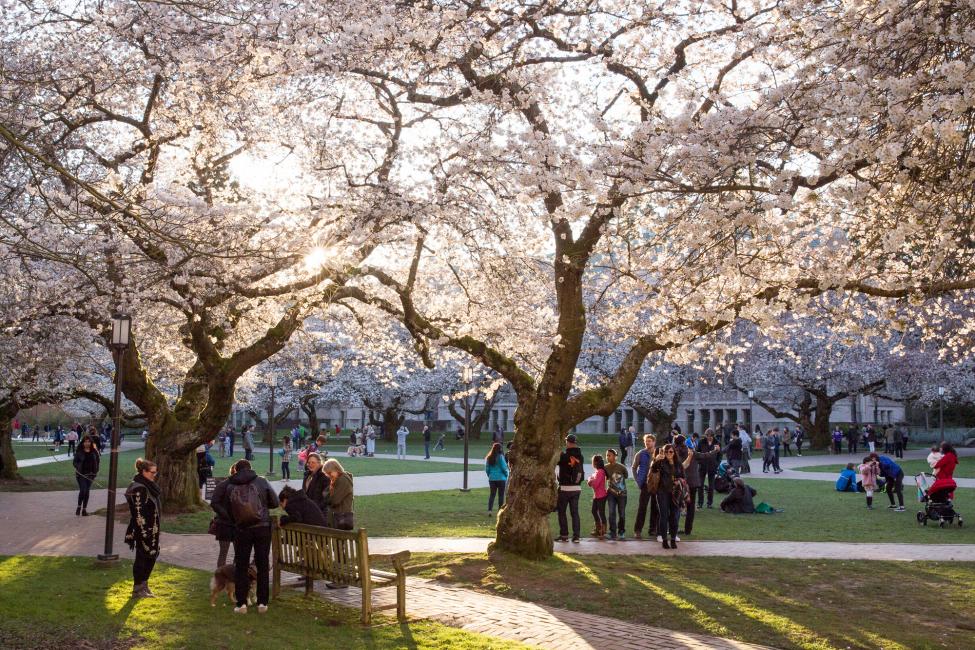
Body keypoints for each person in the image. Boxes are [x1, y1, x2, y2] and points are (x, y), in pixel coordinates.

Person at [217, 459, 279, 613]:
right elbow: (275, 502)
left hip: (242, 529)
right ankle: (262, 603)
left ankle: (241, 603)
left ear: (236, 470)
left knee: (241, 565)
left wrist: (234, 519)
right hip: (262, 527)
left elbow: (225, 506)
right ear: (251, 468)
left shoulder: (231, 485)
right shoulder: (261, 481)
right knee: (262, 564)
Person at [124, 458, 162, 598]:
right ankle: (137, 588)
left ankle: (144, 584)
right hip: (143, 530)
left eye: (155, 472)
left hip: (153, 529)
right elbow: (138, 512)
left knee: (152, 555)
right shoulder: (139, 487)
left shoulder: (149, 485)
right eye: (152, 472)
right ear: (143, 471)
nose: (154, 475)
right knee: (142, 557)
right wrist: (144, 532)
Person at [650, 444, 683, 549]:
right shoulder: (660, 463)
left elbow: (683, 476)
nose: (669, 454)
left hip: (675, 493)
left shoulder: (678, 464)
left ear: (674, 453)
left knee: (674, 517)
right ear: (663, 452)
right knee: (664, 516)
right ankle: (664, 539)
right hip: (662, 492)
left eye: (671, 452)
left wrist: (679, 482)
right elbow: (653, 470)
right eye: (666, 451)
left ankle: (673, 539)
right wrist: (656, 460)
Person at [556, 434, 585, 543]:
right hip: (577, 488)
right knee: (575, 513)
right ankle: (576, 536)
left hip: (564, 488)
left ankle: (564, 535)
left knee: (562, 512)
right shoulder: (580, 456)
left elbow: (556, 461)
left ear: (568, 442)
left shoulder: (564, 456)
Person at [209, 463, 239, 567]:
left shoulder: (223, 484)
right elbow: (214, 503)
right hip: (226, 523)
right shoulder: (224, 485)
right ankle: (222, 578)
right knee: (226, 553)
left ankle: (230, 577)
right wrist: (227, 516)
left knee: (230, 553)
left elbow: (214, 503)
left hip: (228, 523)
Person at [631, 434, 658, 539]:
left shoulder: (658, 453)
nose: (648, 443)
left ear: (654, 442)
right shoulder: (641, 454)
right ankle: (637, 530)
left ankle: (653, 530)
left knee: (655, 508)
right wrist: (638, 480)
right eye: (646, 441)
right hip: (645, 485)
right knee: (642, 508)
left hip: (656, 485)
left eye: (650, 441)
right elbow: (634, 468)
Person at [675, 435, 699, 535]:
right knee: (690, 507)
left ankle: (673, 528)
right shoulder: (691, 451)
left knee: (675, 506)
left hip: (680, 483)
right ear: (684, 442)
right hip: (692, 482)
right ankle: (688, 530)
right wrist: (715, 451)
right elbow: (705, 455)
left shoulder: (674, 452)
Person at [603, 448, 628, 540]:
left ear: (615, 457)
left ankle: (621, 532)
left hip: (622, 494)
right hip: (611, 494)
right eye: (607, 455)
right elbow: (604, 478)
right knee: (611, 512)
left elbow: (626, 475)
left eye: (609, 455)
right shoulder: (605, 467)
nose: (607, 457)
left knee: (621, 513)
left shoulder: (621, 467)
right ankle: (612, 532)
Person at [72, 434, 100, 516]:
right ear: (83, 443)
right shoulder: (79, 452)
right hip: (81, 475)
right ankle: (79, 506)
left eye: (88, 442)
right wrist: (78, 467)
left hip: (91, 475)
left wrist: (96, 471)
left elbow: (98, 461)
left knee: (87, 491)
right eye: (85, 442)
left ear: (91, 443)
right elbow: (74, 462)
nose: (87, 443)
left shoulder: (94, 451)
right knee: (83, 490)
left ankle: (84, 510)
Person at [324, 458, 354, 530]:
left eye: (329, 473)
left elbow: (335, 501)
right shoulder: (337, 480)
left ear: (336, 469)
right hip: (337, 517)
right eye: (327, 474)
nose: (328, 476)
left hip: (341, 518)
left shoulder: (343, 480)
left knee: (340, 540)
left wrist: (327, 496)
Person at [694, 430, 720, 509]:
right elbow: (697, 453)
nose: (709, 438)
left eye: (711, 436)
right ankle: (700, 503)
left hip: (712, 466)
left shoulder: (717, 442)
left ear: (713, 436)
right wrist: (699, 462)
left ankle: (709, 503)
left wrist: (717, 464)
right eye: (707, 436)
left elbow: (720, 454)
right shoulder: (701, 442)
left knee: (711, 486)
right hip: (702, 466)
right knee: (700, 485)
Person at [302, 452, 330, 519]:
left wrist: (315, 509)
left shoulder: (324, 476)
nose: (310, 464)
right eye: (309, 462)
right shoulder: (307, 476)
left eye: (313, 462)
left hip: (321, 513)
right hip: (308, 512)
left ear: (319, 463)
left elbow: (326, 498)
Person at [484, 442, 509, 514]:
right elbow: (504, 467)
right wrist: (506, 474)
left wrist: (490, 475)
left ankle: (489, 510)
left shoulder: (489, 457)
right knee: (501, 495)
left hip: (492, 479)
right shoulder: (500, 457)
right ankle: (499, 510)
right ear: (500, 449)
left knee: (492, 494)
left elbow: (487, 469)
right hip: (501, 478)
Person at [587, 454, 608, 540]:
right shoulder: (597, 472)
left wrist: (590, 480)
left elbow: (595, 484)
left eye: (593, 462)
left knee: (601, 513)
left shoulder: (600, 472)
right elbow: (591, 481)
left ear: (595, 462)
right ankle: (598, 529)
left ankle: (602, 532)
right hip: (597, 496)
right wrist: (590, 480)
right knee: (594, 511)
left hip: (601, 496)